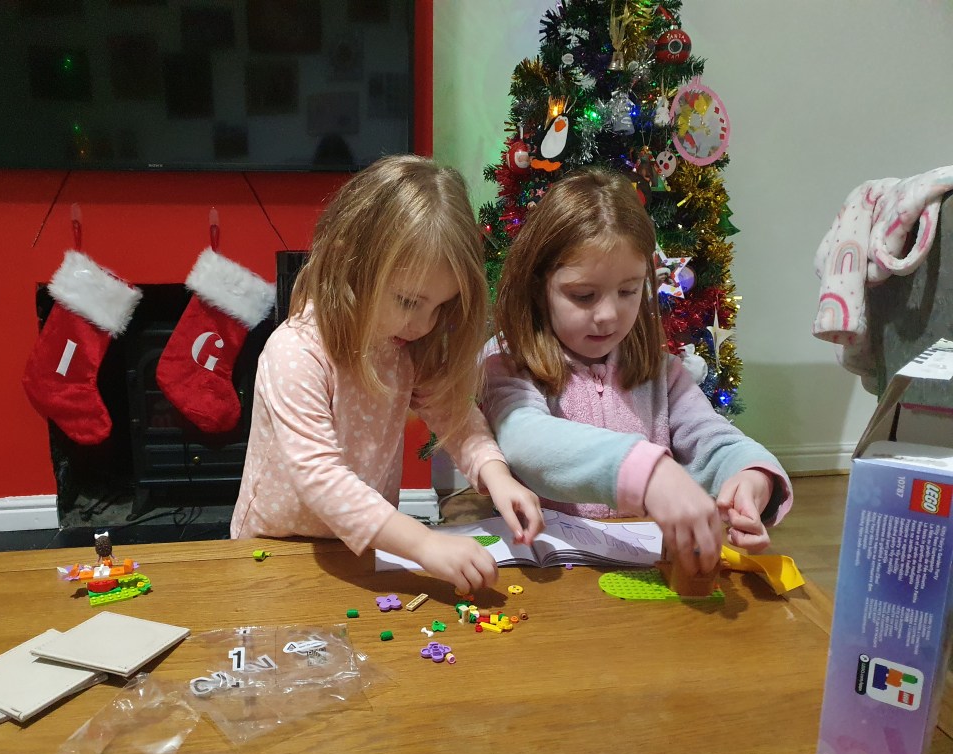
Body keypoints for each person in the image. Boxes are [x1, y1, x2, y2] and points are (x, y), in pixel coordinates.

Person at [231, 154, 543, 592]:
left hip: (364, 547)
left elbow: (456, 417)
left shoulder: (404, 345)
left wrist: (497, 475)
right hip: (275, 548)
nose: (423, 325)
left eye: (439, 306)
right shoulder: (295, 351)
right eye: (409, 301)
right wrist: (423, 543)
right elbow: (321, 478)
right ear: (350, 261)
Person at [482, 168, 792, 577]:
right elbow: (525, 440)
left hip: (647, 573)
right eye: (583, 295)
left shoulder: (662, 372)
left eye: (628, 291)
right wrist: (648, 473)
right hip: (548, 579)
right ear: (539, 288)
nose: (608, 315)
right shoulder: (507, 361)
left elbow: (713, 439)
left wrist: (752, 477)